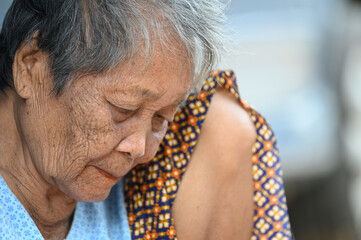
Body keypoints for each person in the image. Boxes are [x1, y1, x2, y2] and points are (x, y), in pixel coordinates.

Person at [0, 0, 292, 239]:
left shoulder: (166, 173)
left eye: (160, 120)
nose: (141, 149)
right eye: (122, 110)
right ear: (31, 68)